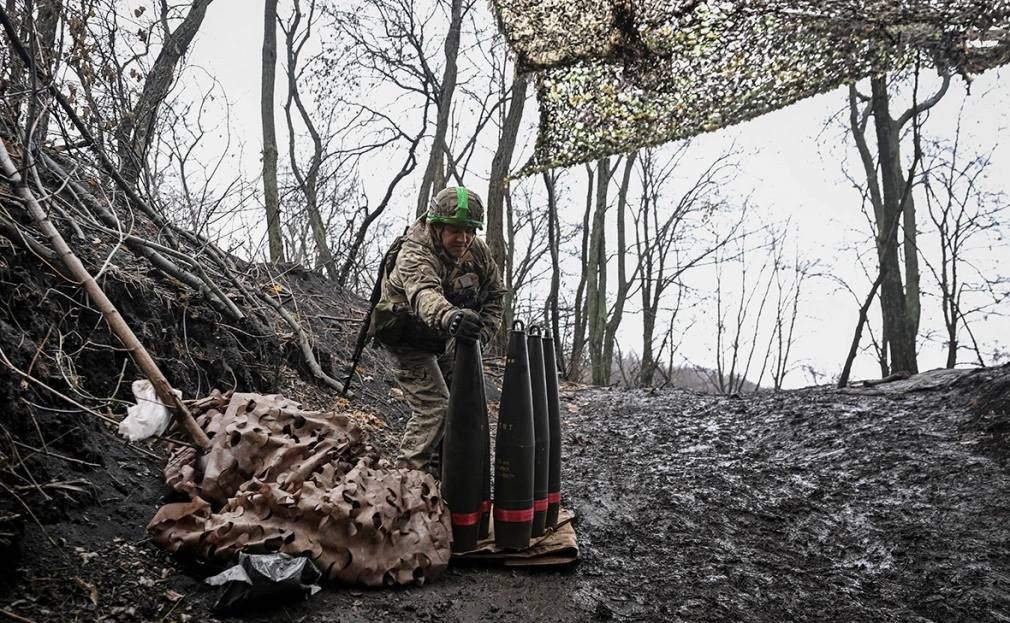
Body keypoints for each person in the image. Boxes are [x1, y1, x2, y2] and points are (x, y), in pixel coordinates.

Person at [369, 186, 505, 475]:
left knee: (462, 404)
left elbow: (495, 295)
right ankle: (407, 482)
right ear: (437, 225)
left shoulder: (475, 250)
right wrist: (451, 317)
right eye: (455, 230)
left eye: (469, 231)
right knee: (436, 408)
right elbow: (423, 294)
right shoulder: (415, 251)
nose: (463, 239)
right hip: (407, 337)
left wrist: (482, 335)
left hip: (444, 336)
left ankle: (442, 476)